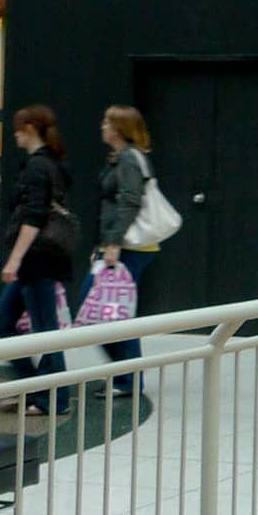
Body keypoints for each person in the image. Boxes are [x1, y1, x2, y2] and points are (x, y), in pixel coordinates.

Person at [0, 104, 73, 413]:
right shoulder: (48, 163)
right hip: (38, 260)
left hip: (37, 259)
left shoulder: (38, 167)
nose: (14, 134)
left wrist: (14, 260)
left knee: (44, 330)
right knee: (5, 321)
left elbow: (34, 216)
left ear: (28, 129)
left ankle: (54, 398)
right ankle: (33, 387)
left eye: (16, 128)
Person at [95, 105, 161, 398]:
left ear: (119, 128)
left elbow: (130, 202)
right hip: (126, 245)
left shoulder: (129, 160)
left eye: (107, 122)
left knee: (111, 313)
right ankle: (126, 376)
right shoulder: (125, 158)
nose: (102, 127)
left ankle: (128, 378)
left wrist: (112, 244)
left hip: (129, 247)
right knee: (110, 312)